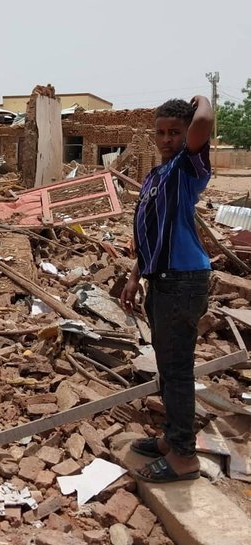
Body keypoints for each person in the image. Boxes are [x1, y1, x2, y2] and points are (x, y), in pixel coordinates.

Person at [120, 96, 214, 483]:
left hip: (183, 279)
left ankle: (184, 459)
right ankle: (172, 440)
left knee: (176, 370)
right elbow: (150, 234)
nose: (166, 139)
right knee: (167, 365)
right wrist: (134, 274)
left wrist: (202, 99)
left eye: (175, 132)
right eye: (160, 132)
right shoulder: (155, 177)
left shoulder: (187, 169)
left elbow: (205, 121)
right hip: (161, 278)